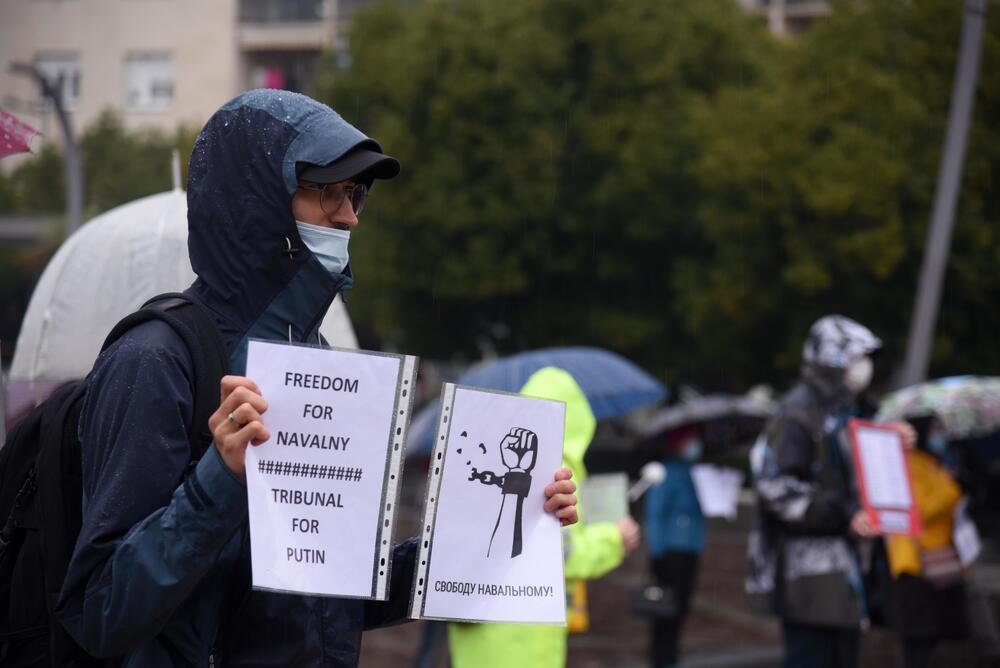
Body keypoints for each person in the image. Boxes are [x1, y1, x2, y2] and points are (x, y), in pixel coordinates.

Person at [54, 89, 580, 667]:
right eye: (329, 191)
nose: (350, 216)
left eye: (357, 195)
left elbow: (332, 589)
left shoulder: (316, 359)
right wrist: (221, 480)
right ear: (258, 201)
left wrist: (489, 536)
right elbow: (100, 612)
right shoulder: (155, 359)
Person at [448, 366, 640, 668]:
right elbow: (564, 555)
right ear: (576, 419)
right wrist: (614, 539)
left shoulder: (493, 458)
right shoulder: (555, 472)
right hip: (523, 641)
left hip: (477, 630)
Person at [746, 314, 882, 668]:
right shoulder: (798, 413)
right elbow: (776, 489)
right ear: (832, 361)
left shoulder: (848, 411)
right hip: (809, 577)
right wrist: (843, 513)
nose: (863, 367)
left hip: (843, 576)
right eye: (855, 357)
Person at [887, 414, 969, 668]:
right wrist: (950, 487)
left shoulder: (932, 463)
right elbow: (918, 510)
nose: (939, 435)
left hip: (938, 563)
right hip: (915, 566)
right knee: (920, 644)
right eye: (933, 429)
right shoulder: (909, 464)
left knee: (938, 643)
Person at [643, 425, 705, 668]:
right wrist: (658, 553)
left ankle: (671, 659)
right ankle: (662, 660)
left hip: (690, 549)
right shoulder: (666, 472)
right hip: (670, 553)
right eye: (689, 439)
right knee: (665, 612)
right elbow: (655, 514)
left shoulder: (695, 472)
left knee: (680, 609)